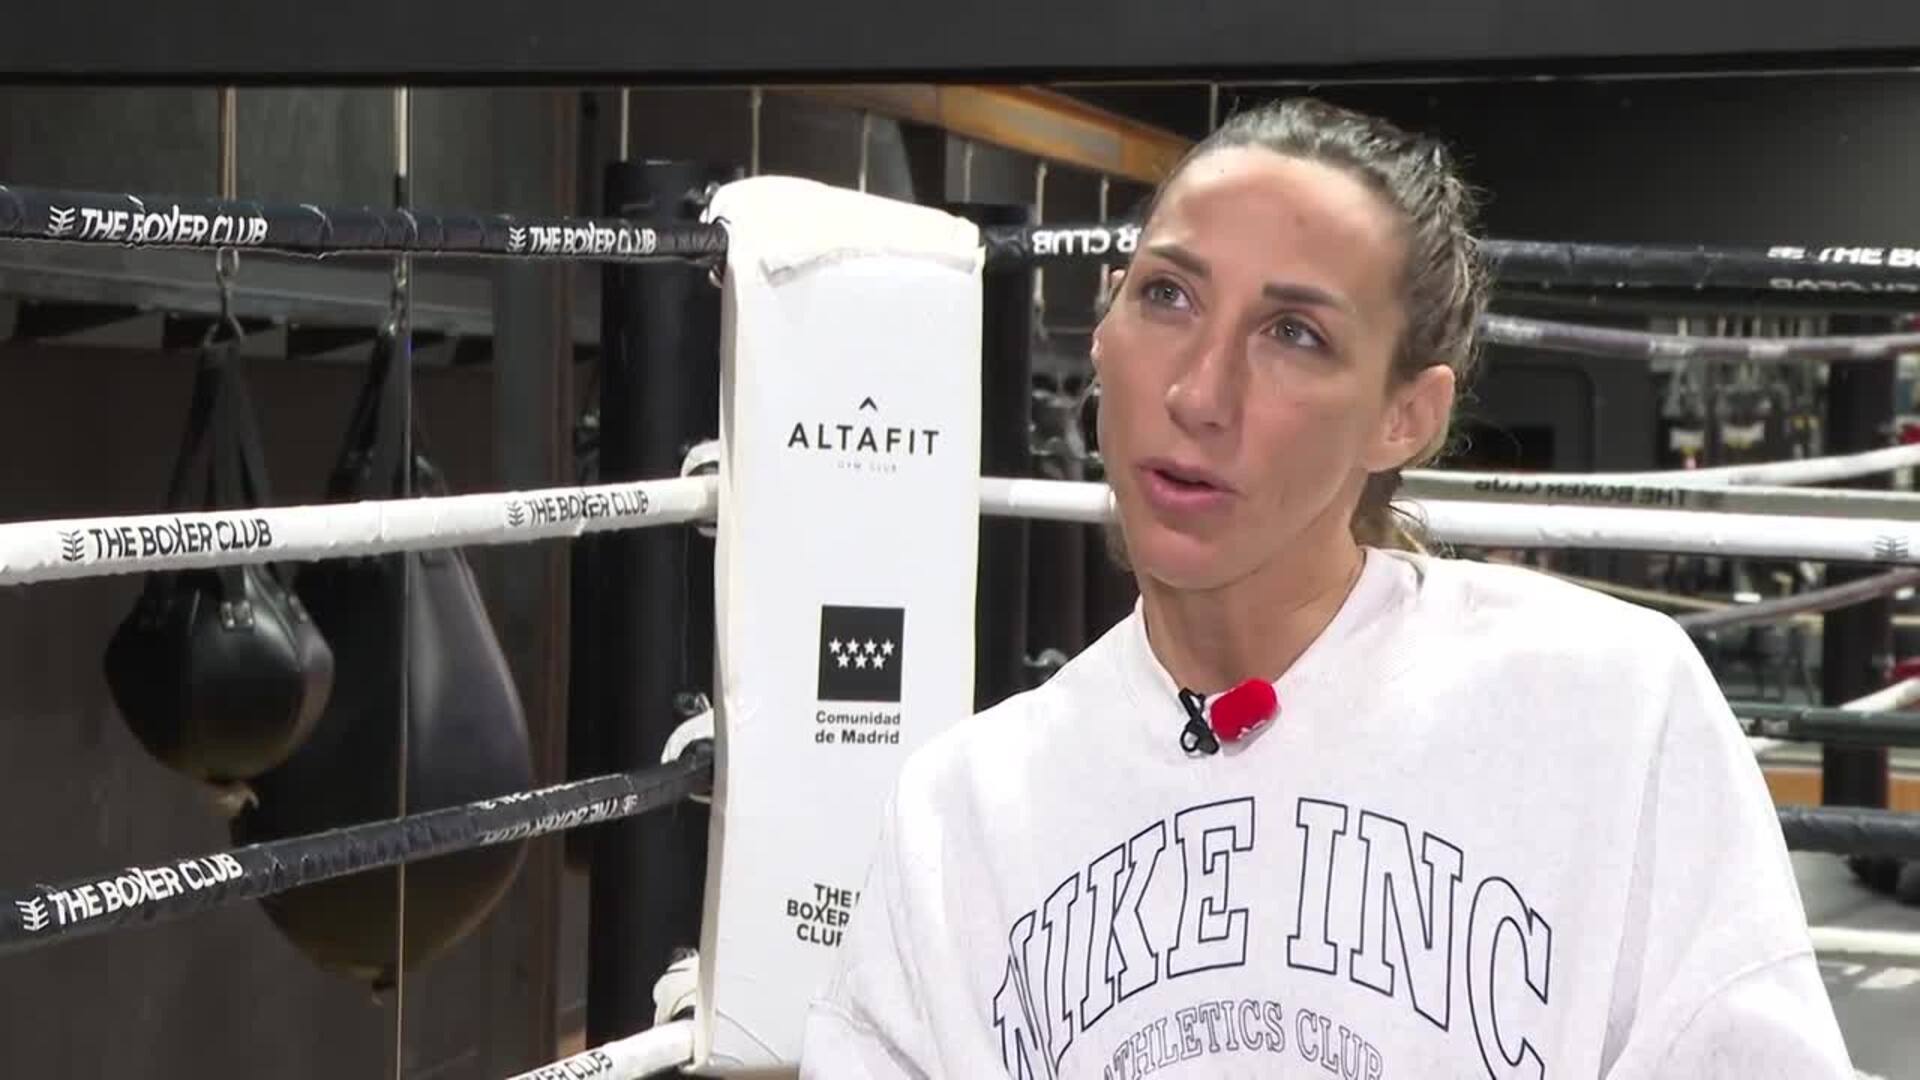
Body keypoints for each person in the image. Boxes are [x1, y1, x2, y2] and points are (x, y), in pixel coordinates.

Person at [799, 97, 1853, 1079]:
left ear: (1406, 417)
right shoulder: (961, 813)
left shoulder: (1607, 707)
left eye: (1294, 334)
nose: (1199, 393)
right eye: (1167, 295)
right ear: (1104, 326)